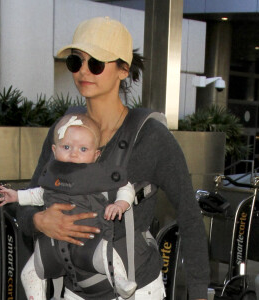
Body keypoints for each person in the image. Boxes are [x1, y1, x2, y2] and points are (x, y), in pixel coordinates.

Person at [18, 16, 210, 300]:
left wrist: (198, 293)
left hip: (136, 289)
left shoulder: (151, 137)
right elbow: (27, 206)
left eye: (95, 63)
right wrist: (38, 221)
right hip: (76, 289)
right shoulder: (63, 132)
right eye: (76, 61)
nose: (84, 71)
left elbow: (190, 217)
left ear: (123, 70)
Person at [0, 113, 137, 299]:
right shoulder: (52, 174)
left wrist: (120, 204)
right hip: (53, 243)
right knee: (28, 274)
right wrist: (16, 196)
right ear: (54, 150)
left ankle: (119, 280)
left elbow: (125, 186)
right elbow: (39, 194)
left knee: (106, 253)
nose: (74, 153)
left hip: (89, 239)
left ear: (96, 155)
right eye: (67, 147)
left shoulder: (98, 173)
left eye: (83, 149)